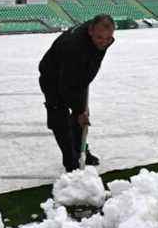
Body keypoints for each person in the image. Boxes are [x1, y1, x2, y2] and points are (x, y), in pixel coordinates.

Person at [39, 14, 115, 172]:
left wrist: (80, 109)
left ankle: (81, 150)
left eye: (108, 38)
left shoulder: (101, 37)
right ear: (90, 31)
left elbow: (93, 60)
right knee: (59, 118)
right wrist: (79, 110)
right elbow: (66, 86)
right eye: (100, 37)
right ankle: (71, 161)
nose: (104, 41)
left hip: (76, 73)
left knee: (80, 116)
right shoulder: (74, 48)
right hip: (52, 77)